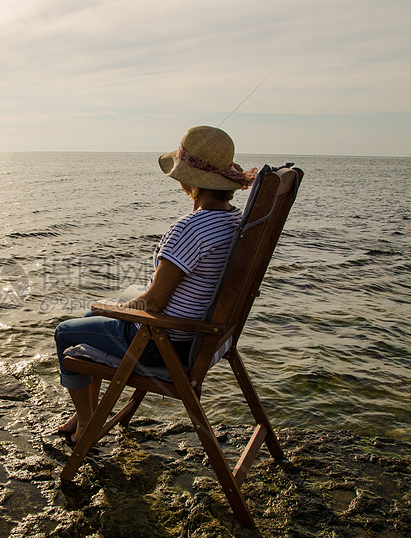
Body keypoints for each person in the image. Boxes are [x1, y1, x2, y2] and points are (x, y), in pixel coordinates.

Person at [54, 126, 258, 444]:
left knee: (66, 332)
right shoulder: (234, 221)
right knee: (88, 322)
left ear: (188, 180)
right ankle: (89, 409)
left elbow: (154, 303)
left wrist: (116, 310)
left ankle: (86, 423)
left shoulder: (190, 229)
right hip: (198, 335)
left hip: (162, 343)